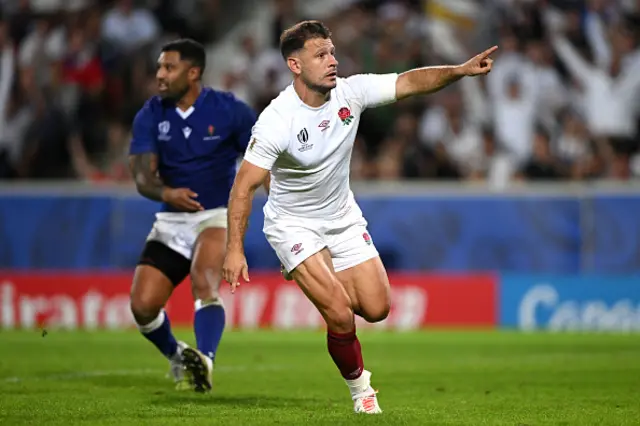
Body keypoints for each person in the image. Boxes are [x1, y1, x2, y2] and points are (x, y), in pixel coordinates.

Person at [222, 20, 496, 413]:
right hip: (292, 224)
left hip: (342, 217)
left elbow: (409, 82)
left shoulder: (352, 91)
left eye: (332, 51)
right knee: (337, 309)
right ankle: (361, 391)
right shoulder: (277, 121)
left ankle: (312, 269)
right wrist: (235, 249)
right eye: (321, 55)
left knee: (377, 307)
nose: (332, 61)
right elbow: (243, 187)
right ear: (295, 66)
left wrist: (458, 71)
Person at [128, 38, 257, 392]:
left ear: (193, 72)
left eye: (169, 67)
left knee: (204, 280)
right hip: (170, 221)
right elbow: (141, 176)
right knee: (142, 306)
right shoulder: (152, 114)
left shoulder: (230, 110)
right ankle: (178, 355)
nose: (160, 75)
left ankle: (206, 360)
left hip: (216, 215)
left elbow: (263, 156)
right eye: (159, 67)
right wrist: (166, 192)